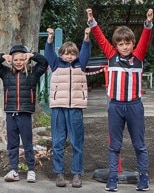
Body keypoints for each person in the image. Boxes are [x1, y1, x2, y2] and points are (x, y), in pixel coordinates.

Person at [86, 8, 153, 192]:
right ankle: (113, 179)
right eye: (121, 43)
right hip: (115, 106)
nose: (124, 46)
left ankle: (144, 178)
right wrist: (92, 22)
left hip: (134, 106)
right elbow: (100, 38)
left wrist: (147, 24)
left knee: (139, 144)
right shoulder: (111, 56)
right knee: (114, 145)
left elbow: (145, 40)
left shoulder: (138, 57)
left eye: (127, 43)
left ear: (133, 44)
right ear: (116, 45)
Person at [0, 45, 48, 183]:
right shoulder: (5, 73)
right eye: (15, 59)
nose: (18, 62)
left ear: (26, 60)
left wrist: (32, 55)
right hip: (11, 113)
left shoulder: (33, 72)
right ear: (11, 60)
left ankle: (31, 170)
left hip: (25, 113)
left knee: (27, 143)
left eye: (22, 59)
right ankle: (14, 170)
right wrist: (3, 56)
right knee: (12, 143)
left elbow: (44, 63)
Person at [45, 27, 91, 188]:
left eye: (72, 53)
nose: (69, 56)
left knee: (77, 142)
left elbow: (86, 51)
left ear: (76, 55)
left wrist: (86, 37)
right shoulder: (56, 64)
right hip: (58, 107)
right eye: (66, 53)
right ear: (61, 54)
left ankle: (77, 174)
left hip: (75, 108)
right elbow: (48, 52)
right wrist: (50, 38)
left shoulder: (81, 64)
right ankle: (59, 173)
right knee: (58, 141)